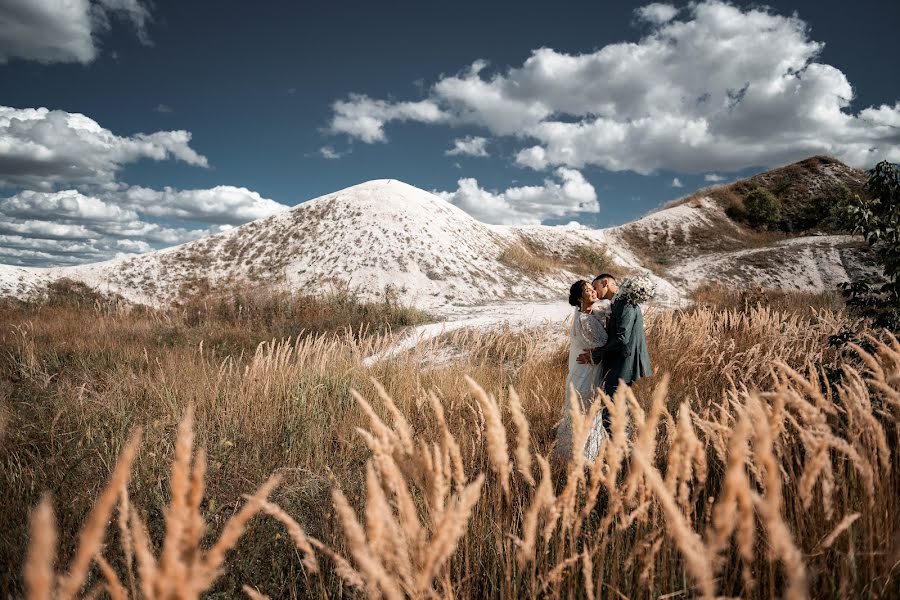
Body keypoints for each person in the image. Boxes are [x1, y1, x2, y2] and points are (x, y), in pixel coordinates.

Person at [577, 274, 653, 434]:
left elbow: (622, 338)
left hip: (622, 366)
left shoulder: (625, 302)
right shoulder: (618, 303)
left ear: (604, 283)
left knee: (613, 415)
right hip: (619, 364)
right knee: (615, 412)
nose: (595, 292)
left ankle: (620, 453)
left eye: (595, 287)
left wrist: (595, 354)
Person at [554, 279, 611, 464]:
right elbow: (603, 343)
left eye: (592, 288)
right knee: (586, 412)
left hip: (589, 371)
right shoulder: (584, 319)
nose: (593, 292)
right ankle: (582, 457)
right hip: (586, 374)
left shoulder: (588, 314)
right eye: (588, 290)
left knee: (588, 412)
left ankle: (585, 455)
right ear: (580, 298)